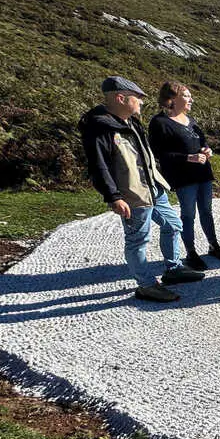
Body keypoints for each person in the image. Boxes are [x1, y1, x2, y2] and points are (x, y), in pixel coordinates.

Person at [78, 76, 205, 302]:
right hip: (132, 194)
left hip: (153, 188)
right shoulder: (100, 127)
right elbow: (99, 166)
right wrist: (114, 196)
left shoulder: (131, 122)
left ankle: (173, 269)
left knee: (173, 225)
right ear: (120, 98)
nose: (142, 103)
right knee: (138, 240)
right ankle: (146, 286)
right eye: (137, 98)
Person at [148, 81, 220, 271]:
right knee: (188, 215)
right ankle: (191, 252)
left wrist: (206, 150)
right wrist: (189, 157)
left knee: (207, 211)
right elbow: (159, 154)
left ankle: (213, 245)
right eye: (186, 95)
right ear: (172, 99)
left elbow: (202, 143)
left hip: (203, 173)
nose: (191, 99)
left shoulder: (190, 120)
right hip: (183, 177)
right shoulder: (159, 123)